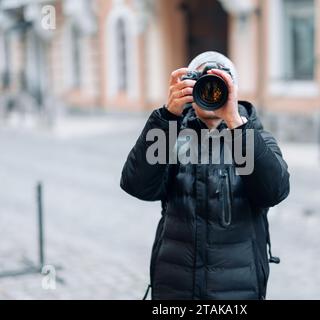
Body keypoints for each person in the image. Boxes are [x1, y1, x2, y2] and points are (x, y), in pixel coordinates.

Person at [120, 51, 290, 300]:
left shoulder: (256, 138)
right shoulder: (172, 137)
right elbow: (137, 185)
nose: (211, 92)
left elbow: (274, 191)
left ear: (234, 90)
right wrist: (167, 117)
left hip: (236, 291)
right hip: (175, 289)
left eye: (219, 84)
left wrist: (235, 123)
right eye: (202, 83)